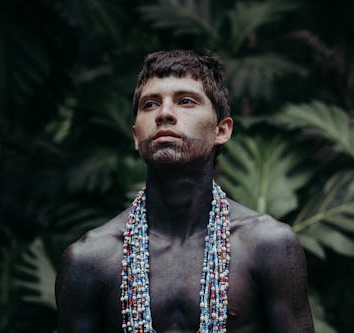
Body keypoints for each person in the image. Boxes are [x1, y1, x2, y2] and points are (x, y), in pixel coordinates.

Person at [55, 50, 314, 333]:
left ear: (222, 130)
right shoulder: (91, 259)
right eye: (150, 104)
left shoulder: (268, 246)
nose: (164, 113)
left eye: (185, 101)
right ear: (135, 136)